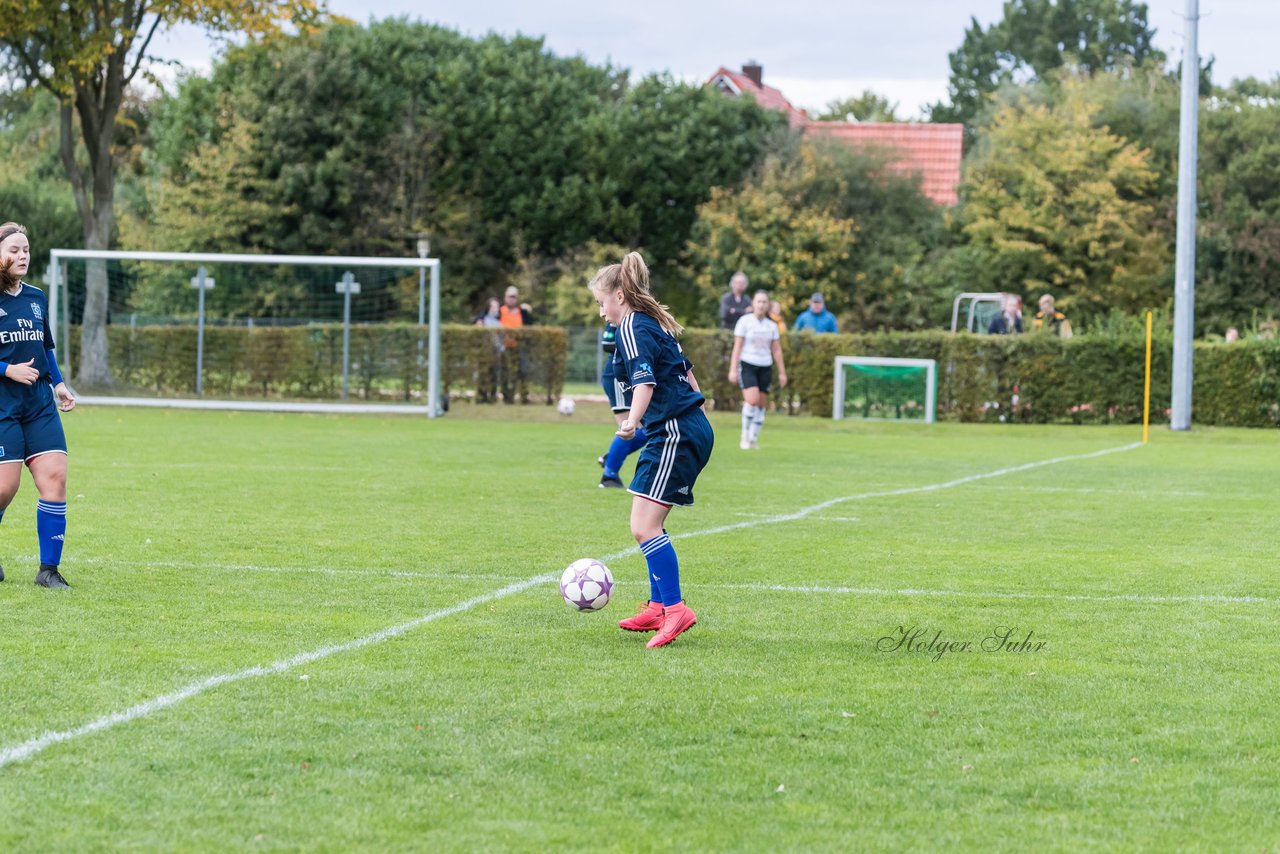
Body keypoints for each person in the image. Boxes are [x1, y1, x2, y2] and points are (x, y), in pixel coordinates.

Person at [590, 252, 713, 649]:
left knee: (645, 526)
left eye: (600, 302)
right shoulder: (651, 323)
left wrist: (630, 422)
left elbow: (644, 382)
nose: (601, 311)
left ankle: (675, 610)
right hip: (679, 428)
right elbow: (687, 372)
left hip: (676, 431)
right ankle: (659, 606)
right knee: (642, 524)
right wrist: (696, 410)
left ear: (620, 296)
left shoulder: (631, 326)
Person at [0, 222, 76, 588]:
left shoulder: (35, 297)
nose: (22, 256)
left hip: (39, 405)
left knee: (56, 478)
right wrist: (7, 369)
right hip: (3, 407)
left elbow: (45, 348)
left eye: (26, 250)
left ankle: (48, 570)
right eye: (14, 249)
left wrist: (59, 384)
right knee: (4, 488)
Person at [729, 290, 787, 450]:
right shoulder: (744, 322)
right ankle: (744, 435)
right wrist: (733, 369)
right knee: (752, 400)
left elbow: (776, 350)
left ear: (768, 305)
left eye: (764, 302)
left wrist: (782, 372)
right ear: (753, 303)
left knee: (761, 404)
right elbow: (737, 347)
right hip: (748, 364)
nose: (761, 305)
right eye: (758, 301)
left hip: (765, 366)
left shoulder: (772, 325)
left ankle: (753, 438)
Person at [596, 321, 647, 488]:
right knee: (628, 427)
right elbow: (607, 343)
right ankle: (609, 476)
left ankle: (611, 458)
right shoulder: (619, 320)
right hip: (617, 376)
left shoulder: (641, 318)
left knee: (647, 430)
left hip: (632, 377)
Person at [498, 286, 533, 403]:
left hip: (519, 347)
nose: (512, 299)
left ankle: (524, 396)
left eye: (514, 297)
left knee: (523, 371)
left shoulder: (522, 312)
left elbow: (530, 325)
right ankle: (507, 397)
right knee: (505, 373)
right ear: (505, 297)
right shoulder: (499, 311)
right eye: (510, 297)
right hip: (503, 347)